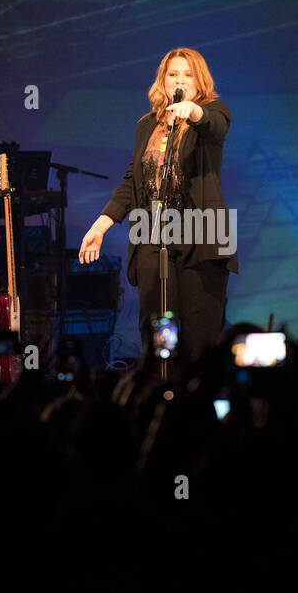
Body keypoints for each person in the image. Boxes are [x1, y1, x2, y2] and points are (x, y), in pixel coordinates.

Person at [78, 47, 238, 366]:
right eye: (173, 74)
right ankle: (159, 398)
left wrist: (191, 111)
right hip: (152, 230)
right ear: (163, 81)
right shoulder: (147, 125)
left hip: (203, 230)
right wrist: (102, 223)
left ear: (199, 82)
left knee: (199, 335)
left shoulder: (215, 110)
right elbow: (132, 179)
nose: (180, 80)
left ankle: (198, 403)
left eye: (188, 75)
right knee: (158, 332)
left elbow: (213, 125)